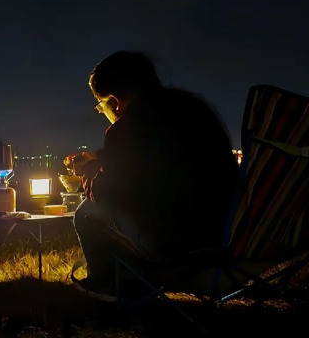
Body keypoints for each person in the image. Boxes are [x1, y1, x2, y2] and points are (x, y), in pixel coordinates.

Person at [65, 50, 238, 302]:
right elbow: (164, 156)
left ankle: (106, 287)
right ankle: (128, 281)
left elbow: (109, 194)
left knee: (87, 212)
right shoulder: (193, 107)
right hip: (223, 233)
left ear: (113, 101)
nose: (104, 112)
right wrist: (102, 158)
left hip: (177, 247)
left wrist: (88, 171)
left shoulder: (128, 126)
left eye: (101, 106)